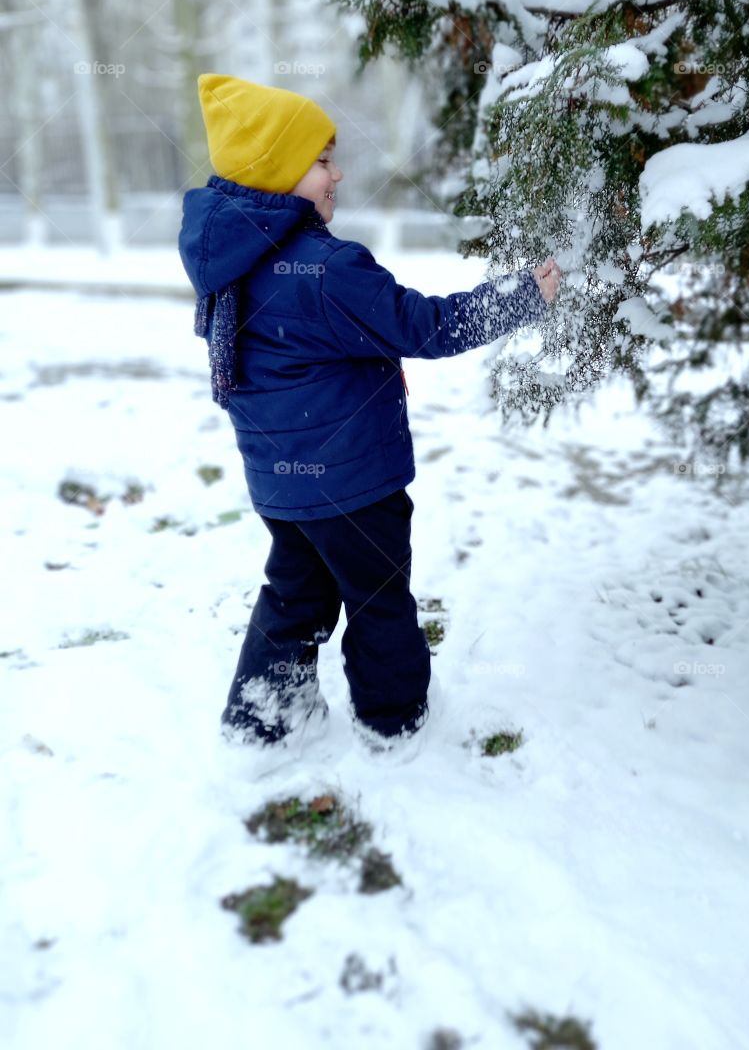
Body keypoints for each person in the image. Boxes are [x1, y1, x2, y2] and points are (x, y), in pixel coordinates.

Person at [178, 73, 561, 753]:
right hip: (355, 486)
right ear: (278, 173)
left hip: (282, 484)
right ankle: (396, 723)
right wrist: (522, 295)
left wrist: (365, 363)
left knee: (294, 595)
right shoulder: (327, 268)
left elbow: (289, 356)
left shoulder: (230, 261)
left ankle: (264, 718)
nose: (338, 173)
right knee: (380, 599)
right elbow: (428, 327)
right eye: (321, 161)